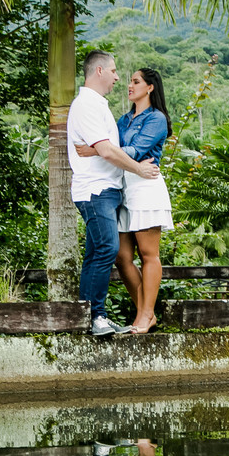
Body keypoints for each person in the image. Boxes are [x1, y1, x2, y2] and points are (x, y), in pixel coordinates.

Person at [67, 51, 161, 337]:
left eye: (131, 78)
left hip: (114, 190)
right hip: (96, 189)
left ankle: (93, 316)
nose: (118, 78)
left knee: (99, 251)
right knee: (109, 249)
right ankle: (97, 316)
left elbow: (109, 147)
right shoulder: (87, 105)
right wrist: (136, 168)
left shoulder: (103, 107)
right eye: (115, 71)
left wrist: (96, 148)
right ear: (98, 71)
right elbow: (110, 149)